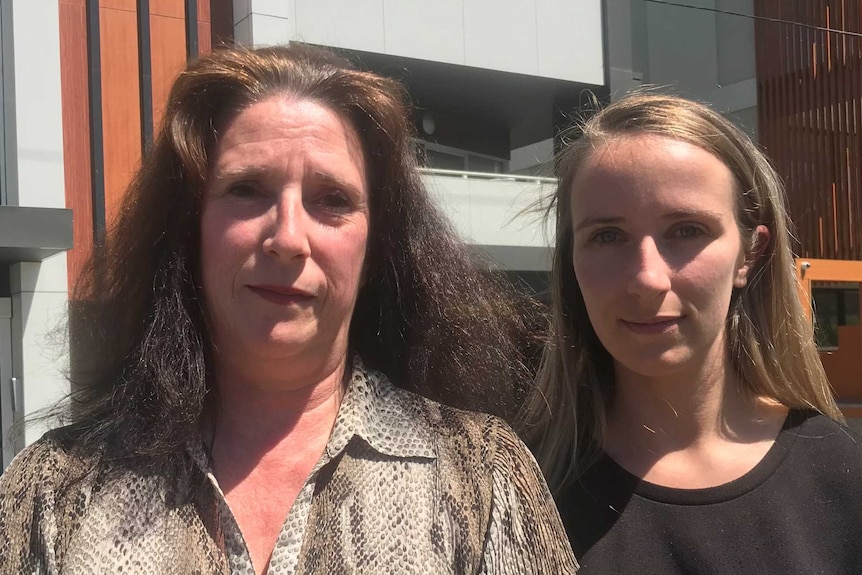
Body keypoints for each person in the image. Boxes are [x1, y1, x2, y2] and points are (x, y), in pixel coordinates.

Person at [0, 44, 575, 574]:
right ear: (189, 230)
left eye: (333, 200)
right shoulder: (55, 493)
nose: (288, 238)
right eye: (246, 189)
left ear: (377, 248)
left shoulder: (482, 478)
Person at [520, 92, 862, 573]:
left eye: (686, 230)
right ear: (571, 260)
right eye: (607, 235)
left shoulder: (840, 475)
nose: (647, 279)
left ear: (750, 253)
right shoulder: (514, 491)